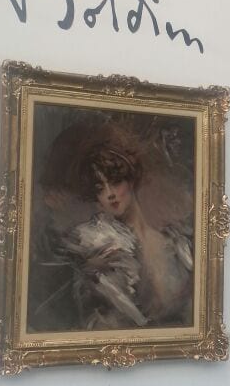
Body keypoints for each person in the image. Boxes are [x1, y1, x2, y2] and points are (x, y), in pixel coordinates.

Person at [60, 139, 194, 330]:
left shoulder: (176, 243)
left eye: (115, 182)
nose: (110, 194)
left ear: (130, 181)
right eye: (100, 188)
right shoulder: (99, 248)